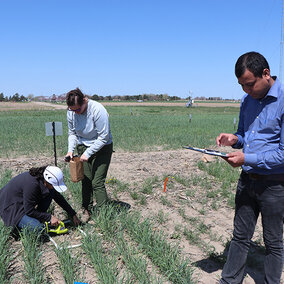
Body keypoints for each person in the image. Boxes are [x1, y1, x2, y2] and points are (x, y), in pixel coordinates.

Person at [216, 51, 284, 283]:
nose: (246, 91)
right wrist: (235, 139)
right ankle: (229, 280)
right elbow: (245, 136)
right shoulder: (247, 101)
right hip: (247, 181)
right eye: (241, 86)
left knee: (273, 242)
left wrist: (247, 158)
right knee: (240, 236)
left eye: (249, 84)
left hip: (275, 185)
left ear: (266, 74)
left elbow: (283, 154)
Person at [65, 88, 114, 219]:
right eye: (72, 110)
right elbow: (72, 133)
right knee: (85, 180)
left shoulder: (98, 110)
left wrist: (88, 153)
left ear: (84, 101)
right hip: (83, 147)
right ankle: (86, 209)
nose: (75, 112)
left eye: (78, 110)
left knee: (97, 182)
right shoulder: (71, 112)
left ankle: (104, 214)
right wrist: (71, 150)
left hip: (102, 147)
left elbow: (103, 137)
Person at [0, 166, 81, 236]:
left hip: (23, 203)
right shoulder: (32, 185)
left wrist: (72, 214)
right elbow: (29, 210)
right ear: (46, 181)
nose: (53, 187)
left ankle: (34, 220)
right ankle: (17, 230)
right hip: (10, 206)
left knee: (51, 193)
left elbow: (59, 198)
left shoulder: (44, 181)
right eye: (53, 185)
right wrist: (49, 217)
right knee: (38, 229)